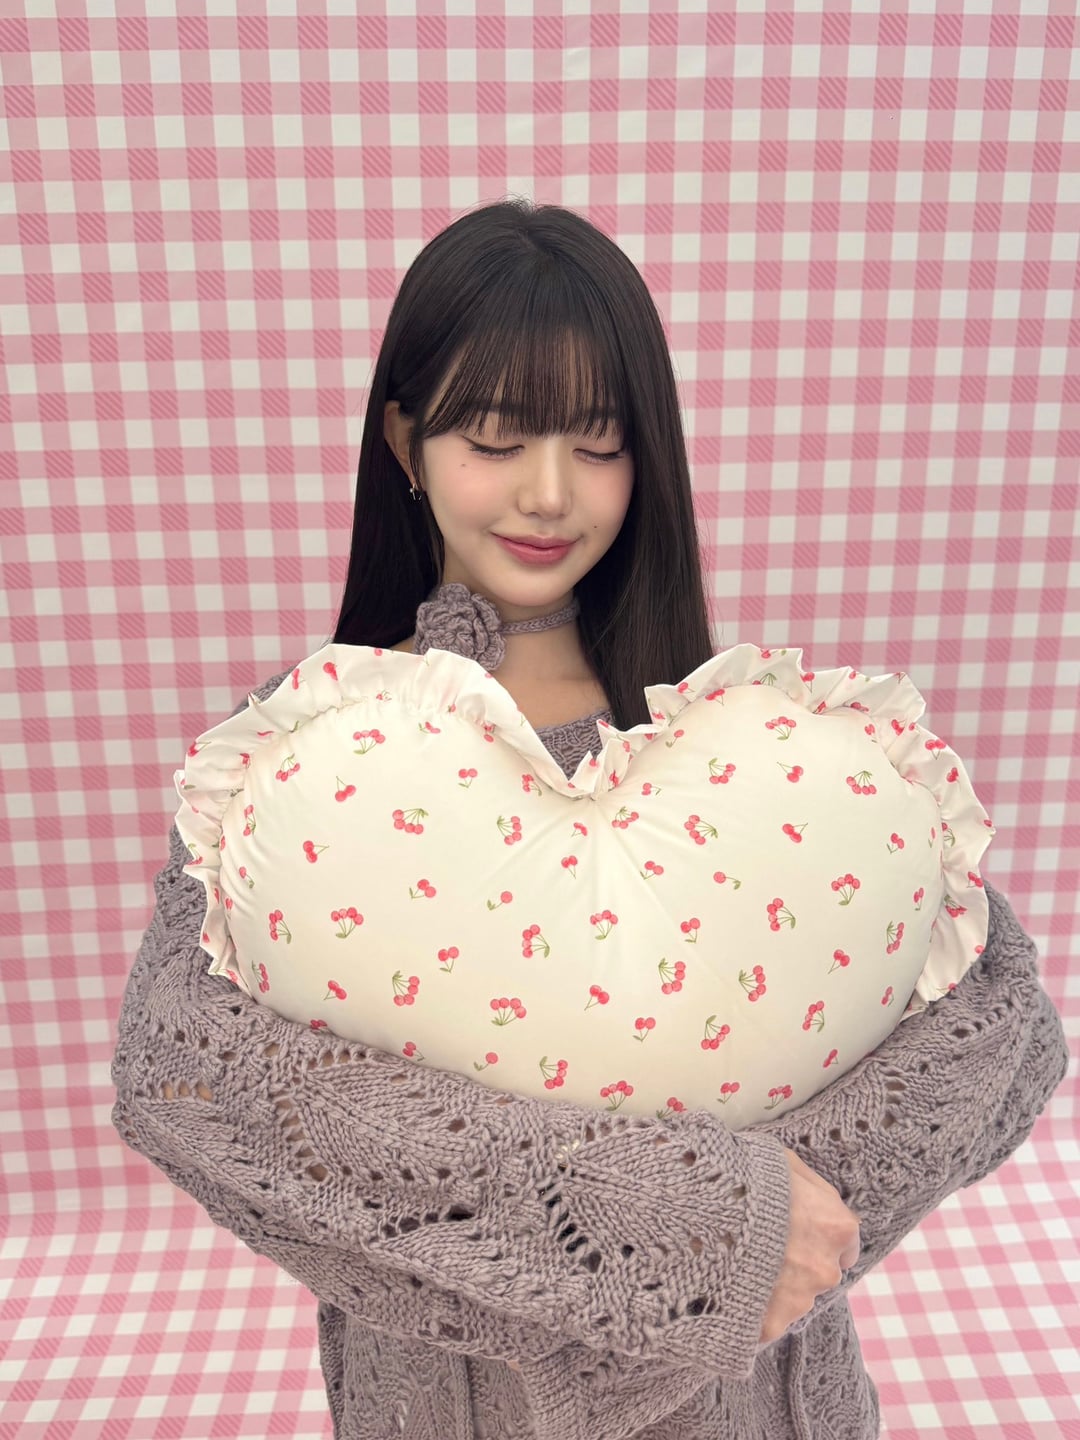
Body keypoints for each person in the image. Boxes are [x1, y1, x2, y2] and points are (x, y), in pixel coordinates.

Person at [111, 198, 1070, 1440]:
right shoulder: (301, 764)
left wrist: (778, 1231)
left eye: (599, 443)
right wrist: (690, 1225)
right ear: (405, 441)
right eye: (496, 439)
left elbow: (996, 1024)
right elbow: (185, 1073)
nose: (549, 492)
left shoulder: (749, 744)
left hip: (757, 1409)